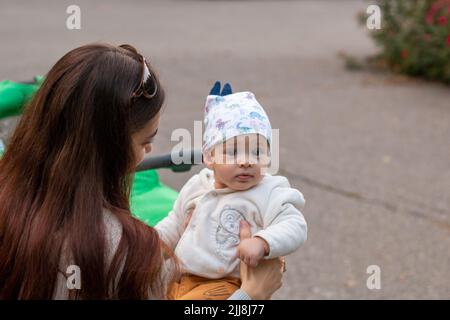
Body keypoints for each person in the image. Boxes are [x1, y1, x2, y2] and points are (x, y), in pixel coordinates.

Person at [0, 43, 283, 299]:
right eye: (146, 141)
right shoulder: (125, 251)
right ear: (109, 148)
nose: (148, 152)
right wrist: (251, 296)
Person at [156, 85, 307, 300]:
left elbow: (295, 225)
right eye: (233, 152)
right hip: (179, 278)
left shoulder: (270, 192)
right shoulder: (197, 185)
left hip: (225, 284)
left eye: (257, 152)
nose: (246, 161)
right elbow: (174, 223)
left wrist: (263, 242)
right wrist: (152, 245)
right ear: (209, 157)